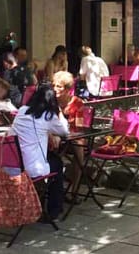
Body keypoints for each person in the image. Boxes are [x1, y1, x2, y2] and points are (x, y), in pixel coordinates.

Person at [9, 83, 69, 220]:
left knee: (52, 160)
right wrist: (59, 114)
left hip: (15, 163)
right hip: (32, 167)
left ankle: (39, 202)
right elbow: (64, 131)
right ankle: (54, 209)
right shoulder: (48, 115)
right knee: (58, 164)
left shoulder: (23, 110)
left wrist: (48, 133)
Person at [52, 70, 84, 200]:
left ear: (67, 89)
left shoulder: (77, 103)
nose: (55, 89)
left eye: (59, 86)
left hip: (73, 137)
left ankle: (74, 191)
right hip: (54, 137)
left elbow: (80, 128)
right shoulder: (51, 101)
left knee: (79, 148)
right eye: (53, 85)